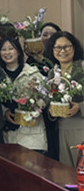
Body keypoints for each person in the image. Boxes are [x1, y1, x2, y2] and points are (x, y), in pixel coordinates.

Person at [0, 37, 47, 152]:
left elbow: (46, 96)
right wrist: (4, 112)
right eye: (3, 49)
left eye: (11, 49)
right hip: (8, 135)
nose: (7, 52)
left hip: (32, 135)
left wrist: (36, 98)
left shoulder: (32, 72)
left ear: (19, 52)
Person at [44, 31, 84, 167]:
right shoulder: (52, 73)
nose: (62, 51)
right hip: (61, 129)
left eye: (67, 47)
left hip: (80, 125)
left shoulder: (82, 67)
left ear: (74, 48)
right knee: (67, 172)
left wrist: (80, 106)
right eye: (58, 47)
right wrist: (50, 110)